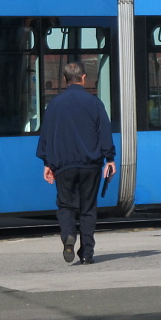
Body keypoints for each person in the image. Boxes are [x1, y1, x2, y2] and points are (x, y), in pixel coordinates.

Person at [36, 62, 116, 265]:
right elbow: (104, 132)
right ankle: (87, 253)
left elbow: (46, 135)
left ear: (65, 80)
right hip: (91, 165)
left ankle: (69, 236)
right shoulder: (94, 103)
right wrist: (110, 159)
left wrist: (47, 162)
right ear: (84, 77)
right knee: (88, 208)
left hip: (64, 165)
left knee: (66, 205)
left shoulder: (54, 104)